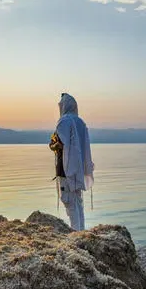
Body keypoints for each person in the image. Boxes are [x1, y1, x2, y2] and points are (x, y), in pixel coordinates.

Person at [49, 93, 94, 231]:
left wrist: (53, 145)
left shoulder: (64, 121)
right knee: (78, 202)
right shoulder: (80, 122)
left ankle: (76, 234)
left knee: (69, 202)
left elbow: (59, 144)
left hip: (66, 169)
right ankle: (81, 232)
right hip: (78, 169)